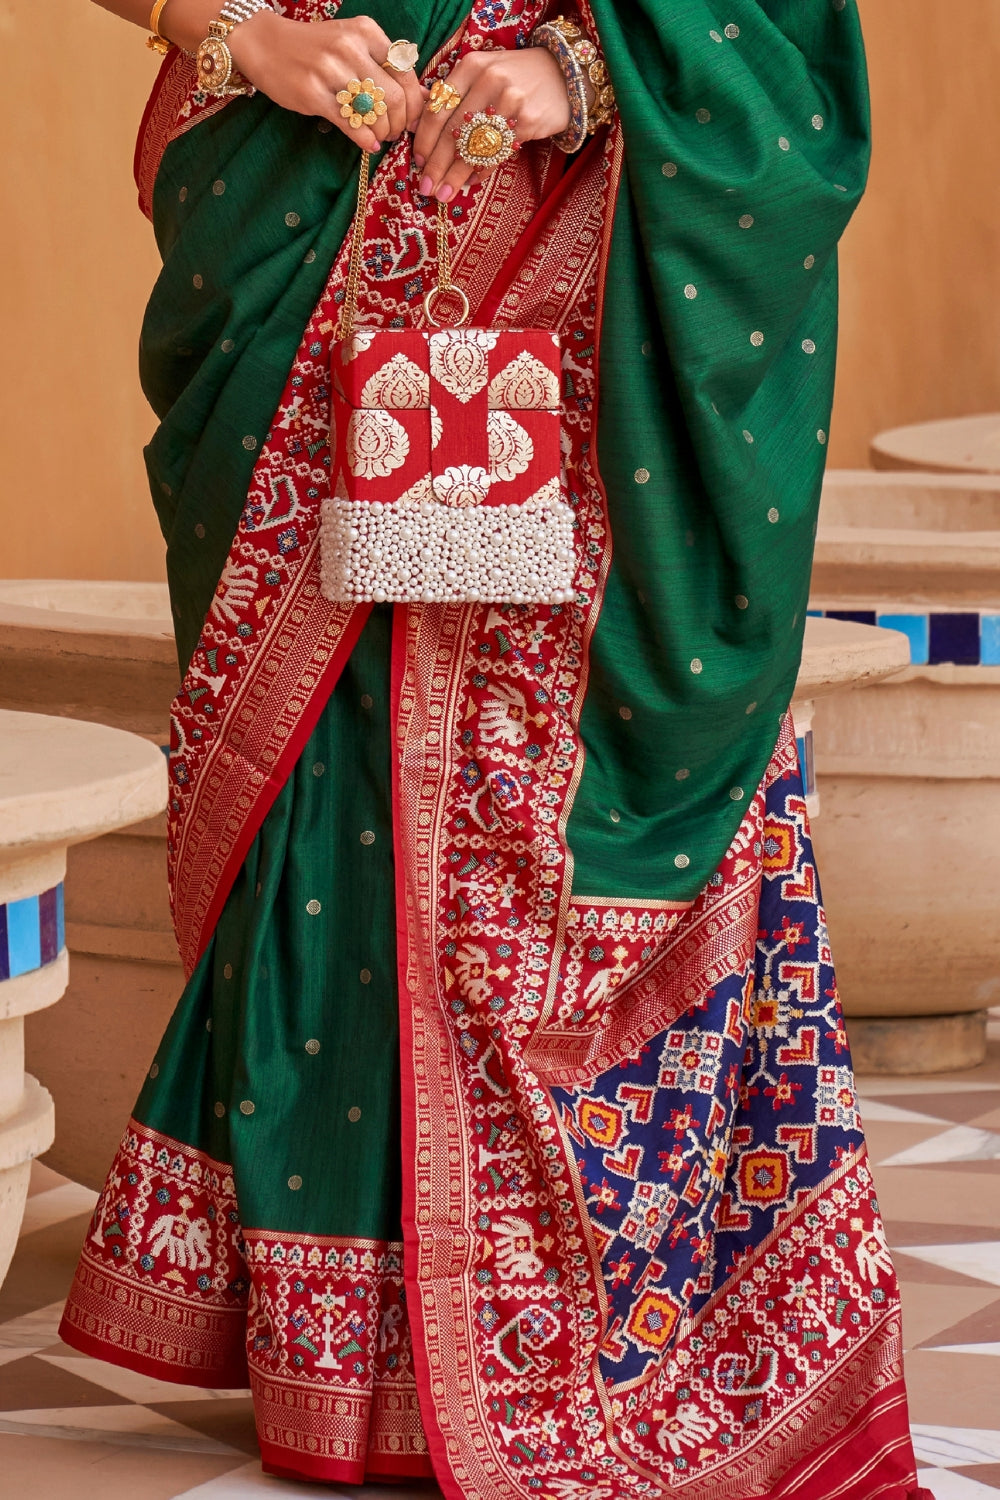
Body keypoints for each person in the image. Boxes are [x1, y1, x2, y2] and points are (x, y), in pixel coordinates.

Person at [62, 1, 933, 1496]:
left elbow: (784, 39)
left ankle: (580, 1332)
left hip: (595, 280)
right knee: (330, 774)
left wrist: (581, 76)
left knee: (533, 809)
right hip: (299, 229)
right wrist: (236, 34)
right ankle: (337, 1355)